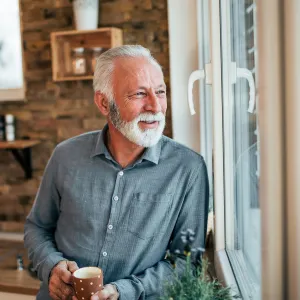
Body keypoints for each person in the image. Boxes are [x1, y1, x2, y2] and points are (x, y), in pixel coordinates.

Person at [24, 45, 209, 300]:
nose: (155, 106)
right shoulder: (65, 156)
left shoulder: (189, 169)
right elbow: (37, 228)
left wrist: (124, 291)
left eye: (160, 91)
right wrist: (51, 266)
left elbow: (187, 264)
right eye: (139, 94)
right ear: (104, 102)